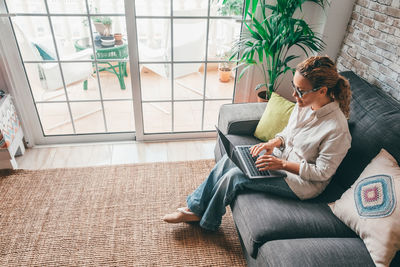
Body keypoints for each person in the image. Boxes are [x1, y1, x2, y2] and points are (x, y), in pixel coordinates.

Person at [163, 56, 352, 231]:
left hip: (300, 183)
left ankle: (208, 221)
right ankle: (194, 208)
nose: (294, 95)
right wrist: (275, 142)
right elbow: (289, 133)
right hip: (279, 161)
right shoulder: (305, 105)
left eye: (300, 91)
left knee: (236, 176)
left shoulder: (337, 129)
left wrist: (283, 164)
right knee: (232, 158)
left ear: (322, 91)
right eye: (294, 87)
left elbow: (322, 173)